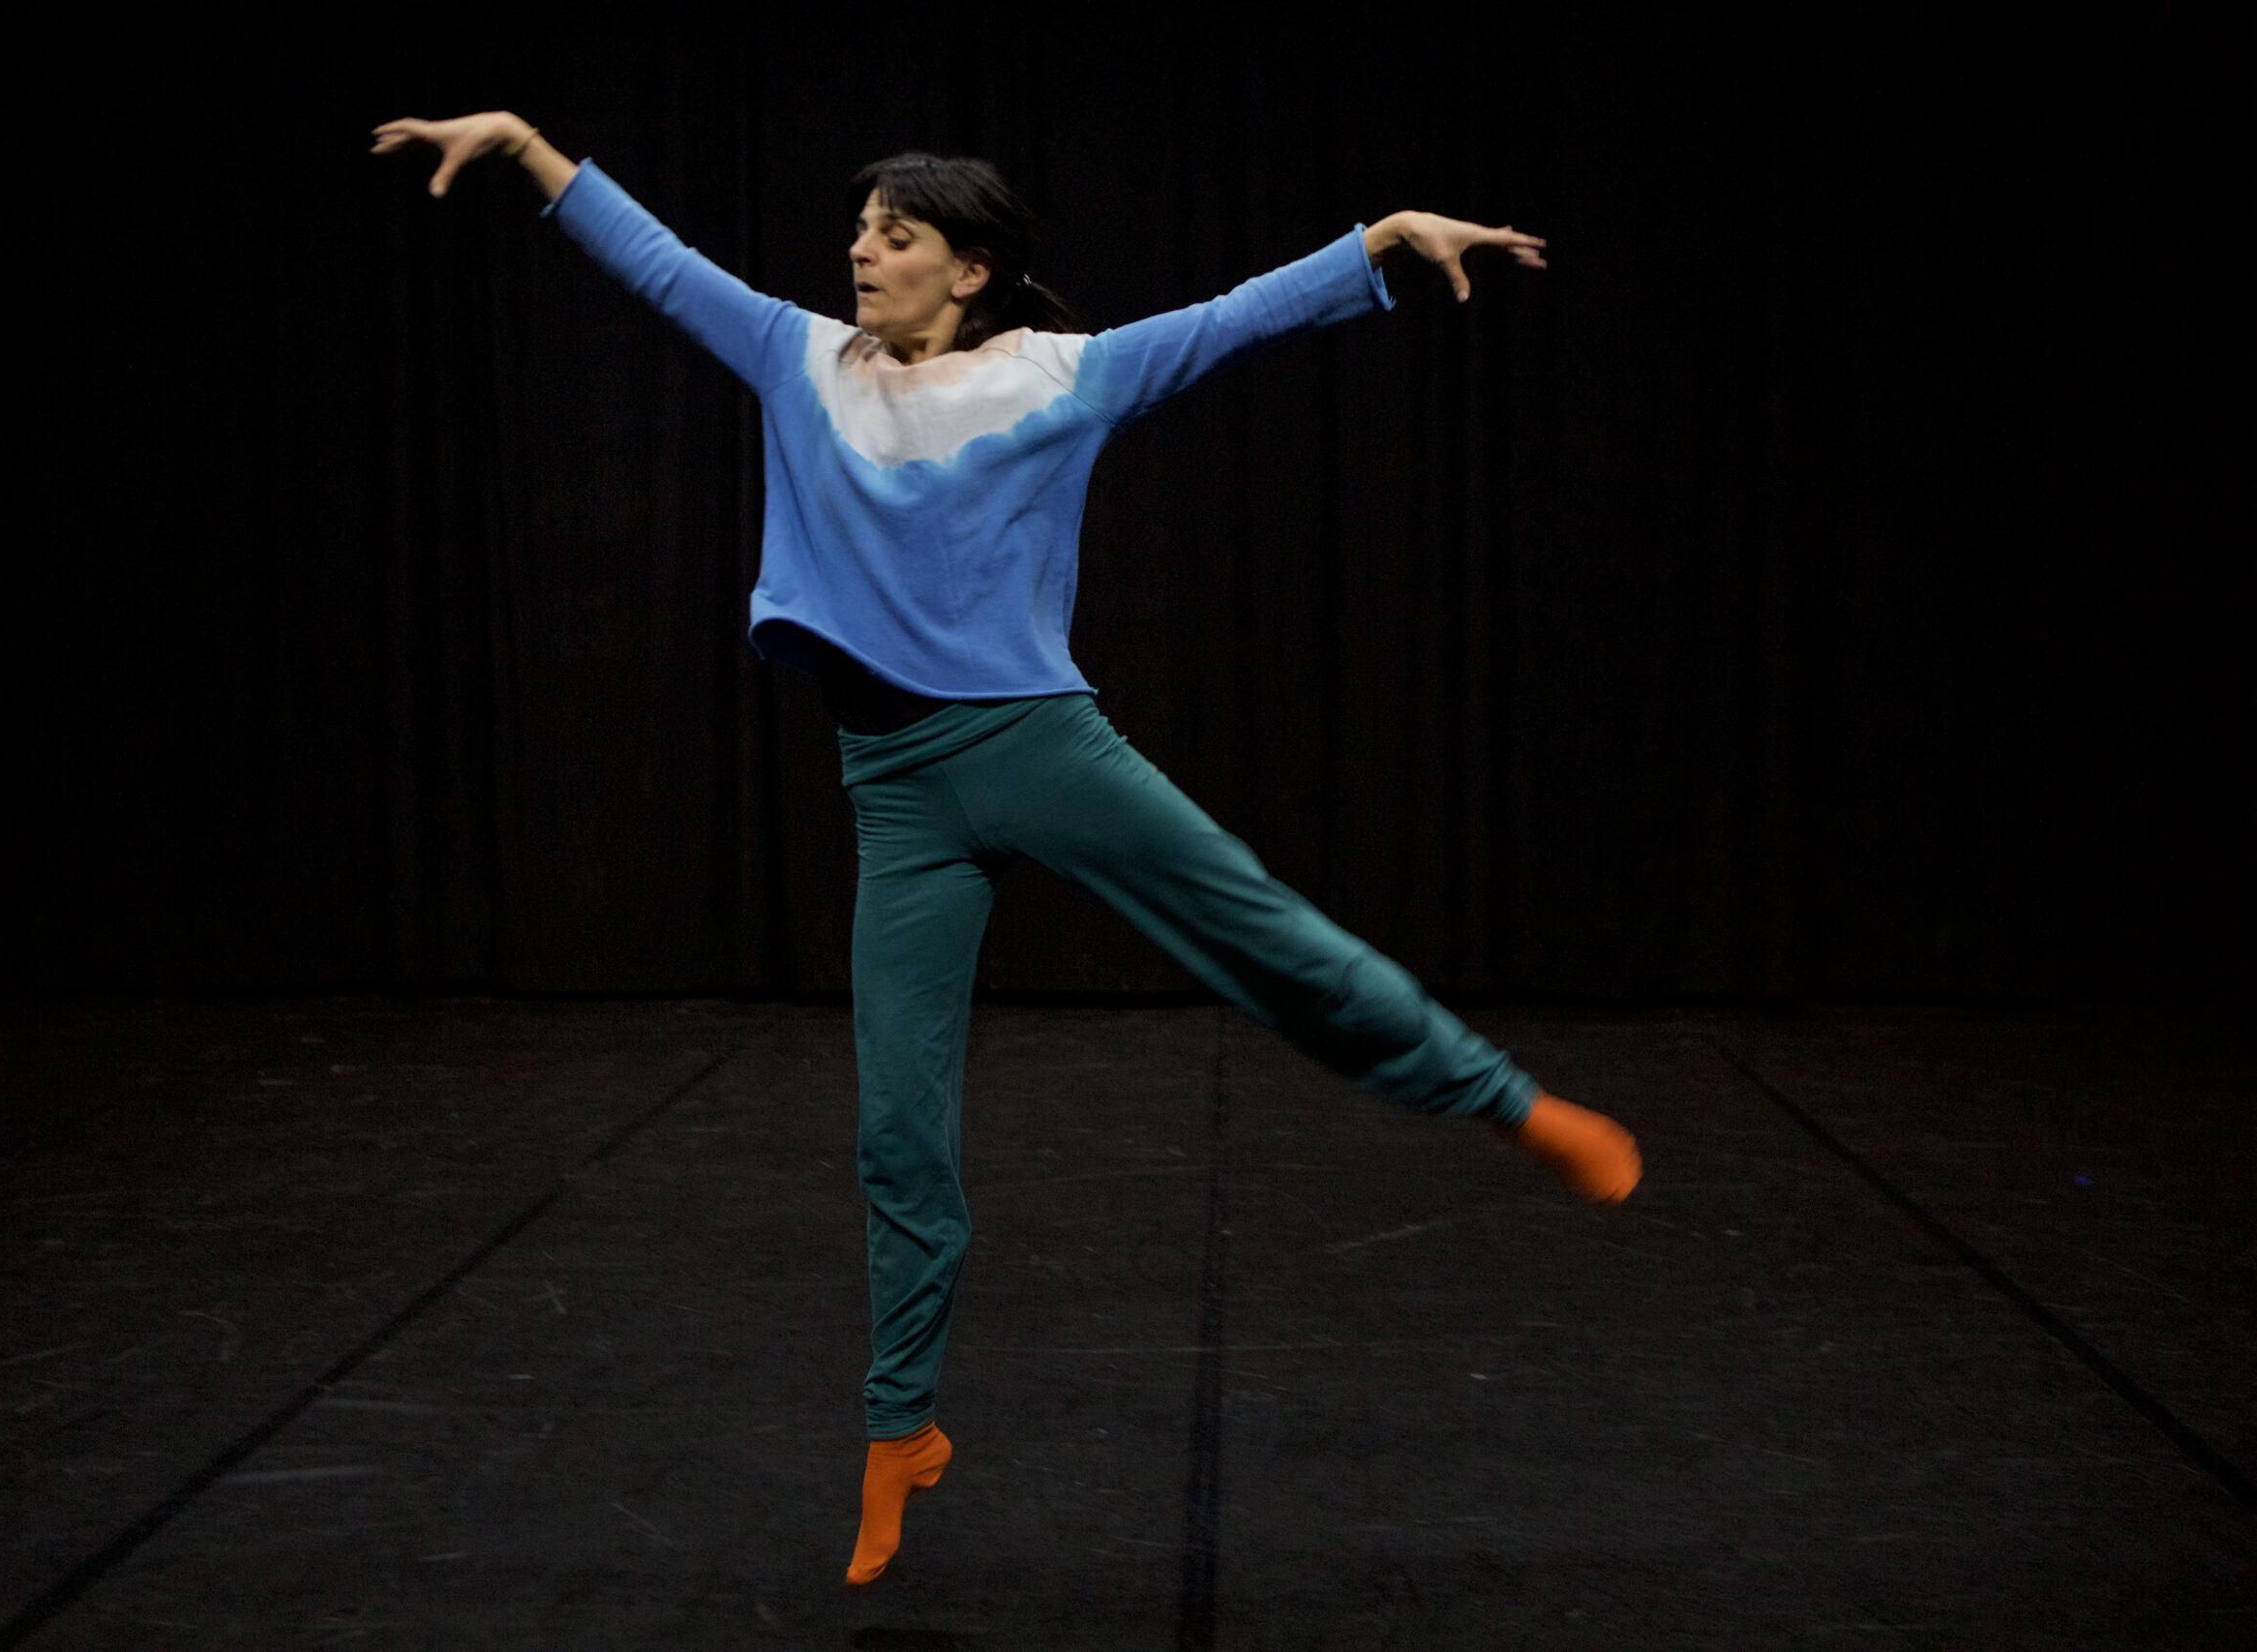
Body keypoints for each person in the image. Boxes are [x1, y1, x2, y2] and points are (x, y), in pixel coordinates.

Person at [372, 110, 1642, 1587]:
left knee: (1270, 945)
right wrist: (528, 148)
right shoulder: (800, 361)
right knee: (897, 1128)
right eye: (860, 231)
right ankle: (898, 1428)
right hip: (895, 789)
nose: (862, 252)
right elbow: (659, 266)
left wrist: (1381, 244)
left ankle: (1506, 1105)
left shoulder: (1062, 372)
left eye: (896, 237)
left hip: (1036, 746)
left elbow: (1229, 322)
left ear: (968, 271)